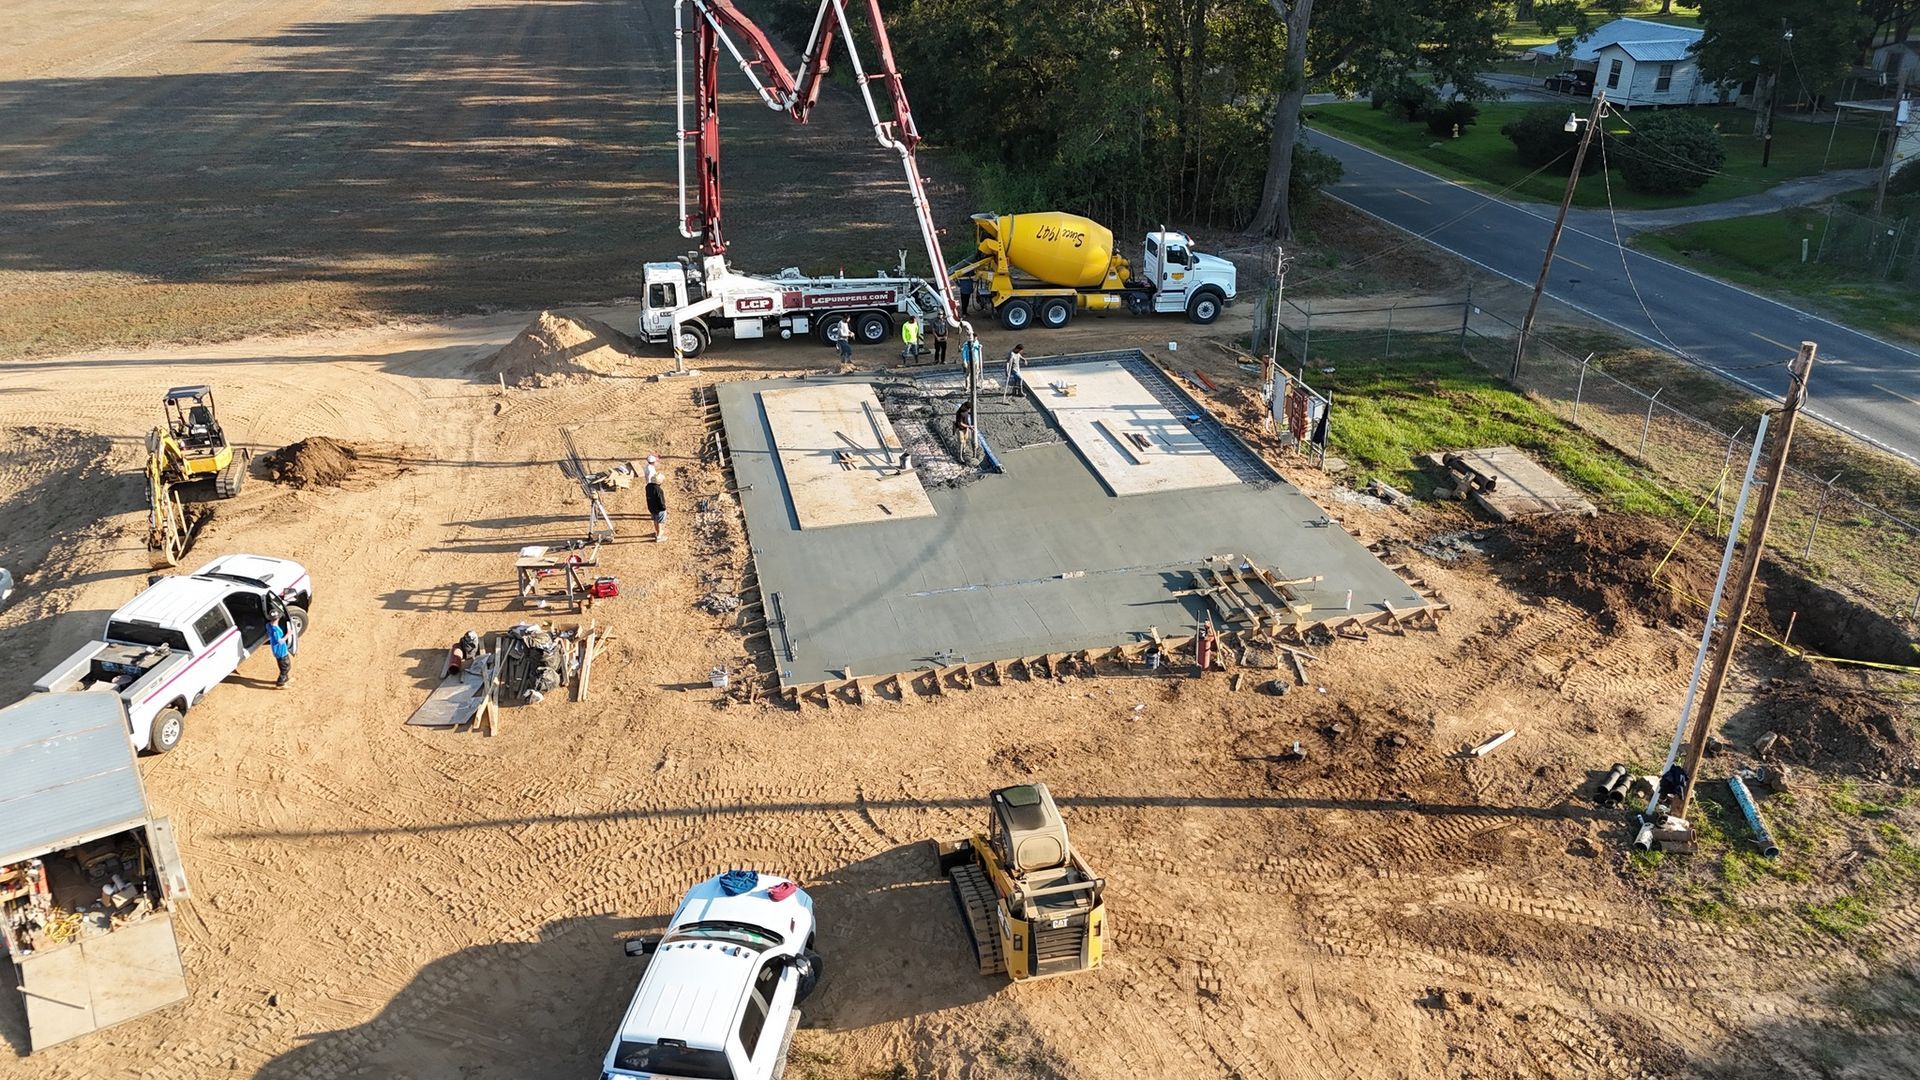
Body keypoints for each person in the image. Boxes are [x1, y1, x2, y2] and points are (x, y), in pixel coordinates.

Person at [266, 612, 293, 687]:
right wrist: (288, 634)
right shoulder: (276, 630)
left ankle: (285, 679)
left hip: (277, 651)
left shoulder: (269, 625)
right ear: (277, 618)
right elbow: (280, 641)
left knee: (283, 665)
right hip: (281, 651)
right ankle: (280, 683)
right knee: (286, 667)